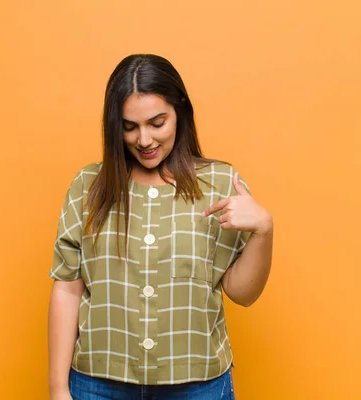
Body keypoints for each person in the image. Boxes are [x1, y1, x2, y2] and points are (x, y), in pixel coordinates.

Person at [48, 54, 273, 400]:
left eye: (157, 122)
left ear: (180, 112)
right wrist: (58, 389)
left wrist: (263, 231)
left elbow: (242, 293)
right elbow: (67, 289)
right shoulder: (87, 186)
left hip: (198, 386)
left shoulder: (220, 183)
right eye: (129, 126)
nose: (144, 140)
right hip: (97, 384)